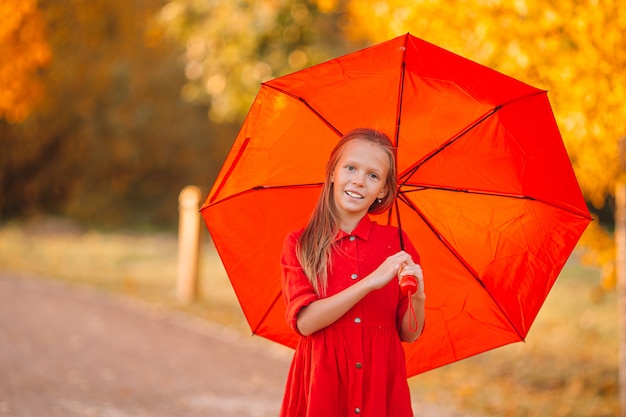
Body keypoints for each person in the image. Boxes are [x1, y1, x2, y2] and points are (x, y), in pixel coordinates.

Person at [279, 128, 426, 417]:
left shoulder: (397, 244)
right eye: (351, 168)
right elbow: (305, 323)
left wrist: (417, 296)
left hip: (380, 384)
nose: (359, 180)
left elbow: (409, 333)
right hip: (323, 383)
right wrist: (371, 282)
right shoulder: (300, 243)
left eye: (373, 175)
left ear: (383, 189)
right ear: (333, 172)